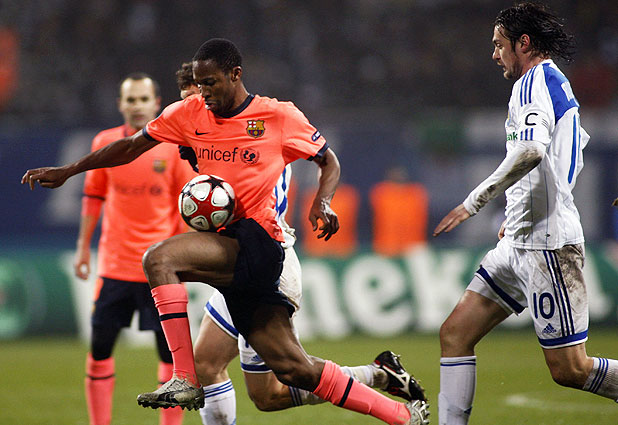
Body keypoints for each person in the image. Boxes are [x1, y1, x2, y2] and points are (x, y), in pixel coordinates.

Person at [23, 39, 429, 425]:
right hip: (228, 249)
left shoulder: (277, 116)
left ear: (235, 74)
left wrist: (322, 201)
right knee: (288, 374)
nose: (203, 92)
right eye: (198, 84)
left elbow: (328, 160)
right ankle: (400, 413)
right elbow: (130, 146)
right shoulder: (190, 113)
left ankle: (182, 379)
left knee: (160, 259)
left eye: (210, 83)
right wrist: (69, 171)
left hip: (262, 244)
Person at [174, 62, 426, 425]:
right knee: (226, 373)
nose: (190, 113)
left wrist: (322, 201)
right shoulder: (209, 142)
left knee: (288, 378)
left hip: (264, 266)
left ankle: (397, 408)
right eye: (184, 104)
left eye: (194, 102)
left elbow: (322, 159)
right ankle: (380, 374)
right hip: (238, 266)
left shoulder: (247, 134)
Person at [432, 3, 618, 424]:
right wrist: (516, 214)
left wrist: (475, 201)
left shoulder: (534, 83)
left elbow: (532, 151)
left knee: (570, 370)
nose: (494, 54)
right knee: (455, 334)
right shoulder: (551, 83)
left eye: (500, 45)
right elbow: (564, 159)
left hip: (547, 246)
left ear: (524, 43)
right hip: (518, 240)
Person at [74, 73, 196, 425]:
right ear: (121, 104)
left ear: (157, 103)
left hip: (159, 270)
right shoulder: (106, 142)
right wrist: (83, 248)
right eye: (131, 99)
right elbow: (93, 196)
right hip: (115, 266)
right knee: (99, 350)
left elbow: (187, 207)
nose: (137, 105)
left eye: (144, 99)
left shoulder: (173, 148)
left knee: (170, 360)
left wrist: (182, 257)